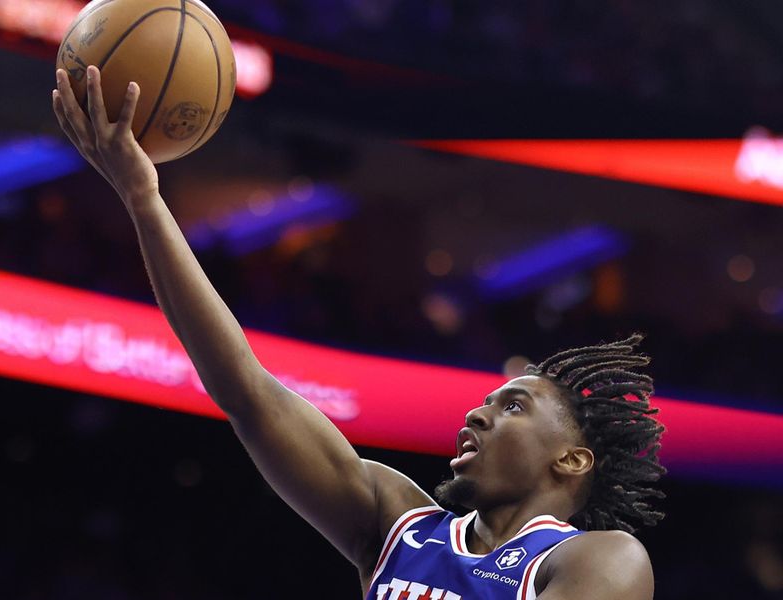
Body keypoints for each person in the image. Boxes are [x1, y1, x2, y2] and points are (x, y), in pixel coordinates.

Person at [52, 66, 666, 599]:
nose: (478, 415)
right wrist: (144, 199)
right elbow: (246, 390)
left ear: (573, 458)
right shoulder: (398, 523)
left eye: (513, 405)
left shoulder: (598, 559)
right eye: (486, 403)